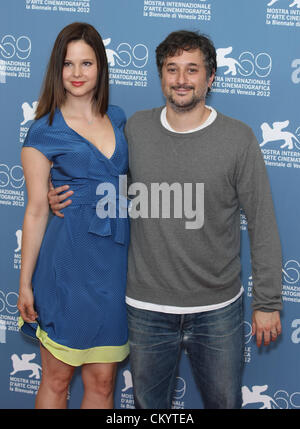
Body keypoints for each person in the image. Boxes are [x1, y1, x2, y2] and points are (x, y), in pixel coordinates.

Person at [49, 30, 283, 409]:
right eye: (172, 69)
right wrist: (54, 189)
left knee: (225, 403)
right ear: (161, 77)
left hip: (218, 309)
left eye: (192, 70)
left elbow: (263, 222)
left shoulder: (238, 138)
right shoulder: (134, 130)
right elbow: (98, 178)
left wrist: (268, 301)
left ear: (210, 78)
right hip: (146, 309)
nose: (180, 79)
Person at [17, 22, 130, 409]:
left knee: (102, 382)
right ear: (57, 70)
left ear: (101, 67)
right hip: (66, 264)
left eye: (87, 63)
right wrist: (25, 284)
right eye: (68, 64)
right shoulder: (42, 131)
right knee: (57, 377)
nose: (78, 74)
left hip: (114, 267)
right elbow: (34, 210)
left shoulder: (118, 119)